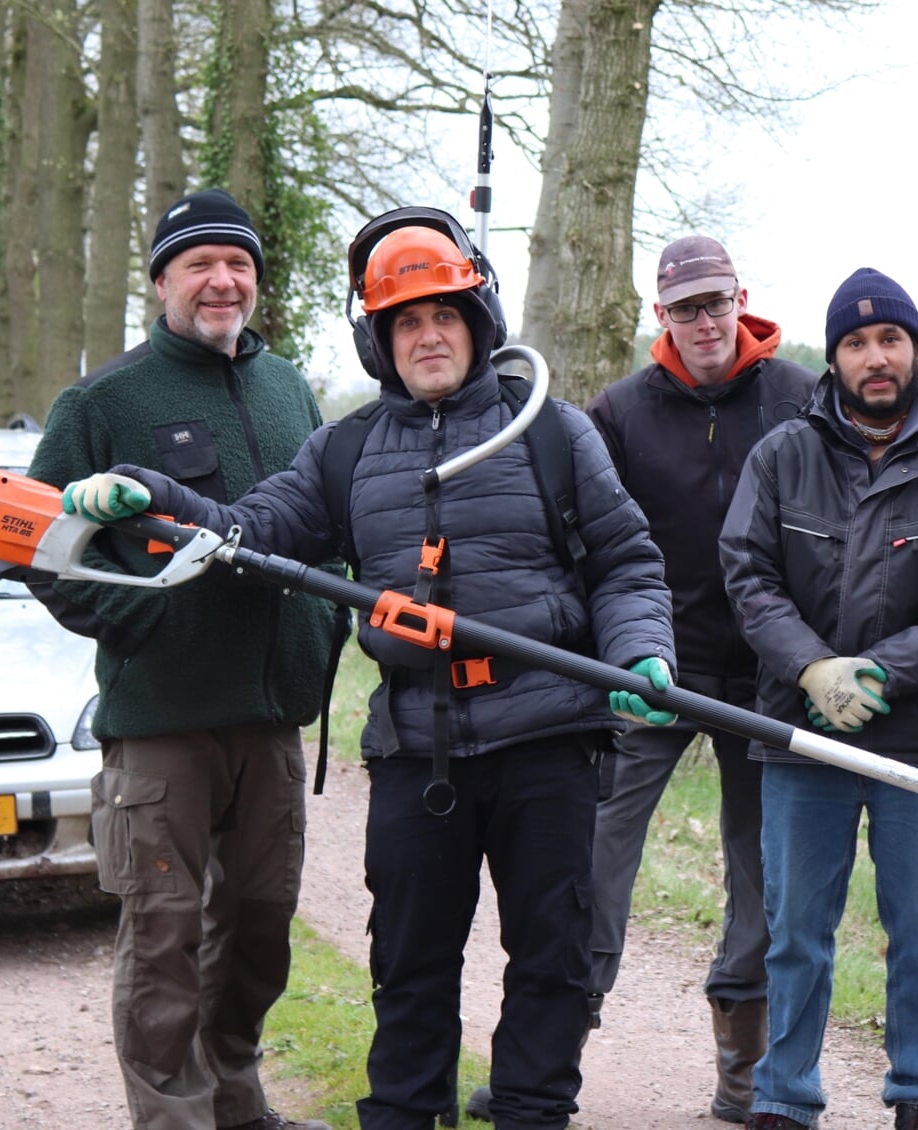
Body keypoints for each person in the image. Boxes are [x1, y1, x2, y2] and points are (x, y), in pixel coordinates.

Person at [56, 209, 676, 1130]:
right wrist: (155, 492)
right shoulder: (345, 450)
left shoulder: (552, 434)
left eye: (445, 316)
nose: (429, 335)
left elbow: (627, 560)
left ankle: (532, 1109)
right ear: (380, 340)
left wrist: (639, 652)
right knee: (410, 960)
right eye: (406, 322)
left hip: (548, 734)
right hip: (417, 747)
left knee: (553, 952)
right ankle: (402, 1115)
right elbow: (250, 530)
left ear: (478, 322)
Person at [25, 187, 341, 1130]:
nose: (222, 280)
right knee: (162, 938)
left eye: (238, 263)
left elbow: (329, 518)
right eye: (199, 264)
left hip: (272, 713)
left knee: (257, 930)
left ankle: (237, 1100)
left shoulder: (290, 390)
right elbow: (30, 541)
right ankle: (173, 1117)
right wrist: (131, 622)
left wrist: (326, 629)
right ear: (161, 280)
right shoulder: (104, 401)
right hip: (163, 719)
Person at [719, 269, 918, 1130]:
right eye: (855, 343)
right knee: (795, 935)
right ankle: (785, 1096)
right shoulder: (782, 455)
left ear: (915, 348)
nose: (874, 357)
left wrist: (880, 672)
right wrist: (813, 668)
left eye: (889, 339)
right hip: (801, 737)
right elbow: (747, 573)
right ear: (836, 358)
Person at [579, 235, 816, 1123]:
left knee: (761, 864)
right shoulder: (619, 412)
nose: (706, 321)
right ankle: (555, 1045)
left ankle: (742, 1074)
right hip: (653, 665)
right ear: (661, 316)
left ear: (741, 300)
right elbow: (592, 539)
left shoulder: (799, 395)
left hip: (769, 672)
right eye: (686, 308)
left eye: (717, 303)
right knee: (598, 843)